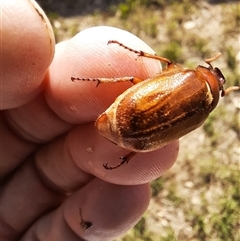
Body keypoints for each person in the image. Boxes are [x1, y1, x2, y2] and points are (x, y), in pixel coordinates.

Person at [1, 1, 179, 240]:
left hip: (130, 116)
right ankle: (128, 155)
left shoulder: (185, 75)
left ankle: (128, 150)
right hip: (135, 129)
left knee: (133, 78)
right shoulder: (199, 115)